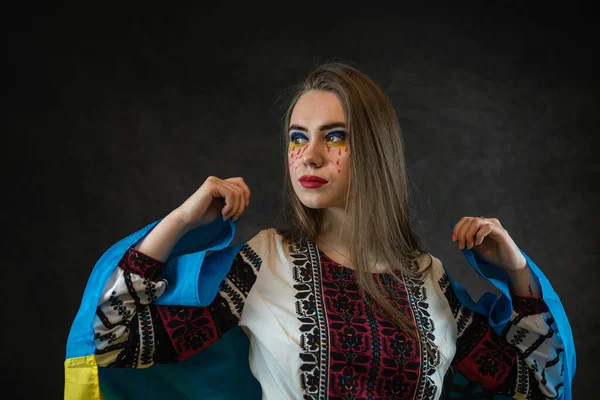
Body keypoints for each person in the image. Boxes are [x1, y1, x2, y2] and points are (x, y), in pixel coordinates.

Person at [64, 62, 575, 400]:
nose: (308, 155)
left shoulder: (428, 281)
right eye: (296, 137)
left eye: (335, 137)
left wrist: (515, 269)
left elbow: (540, 384)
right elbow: (110, 341)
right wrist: (177, 223)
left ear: (374, 149)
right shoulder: (265, 264)